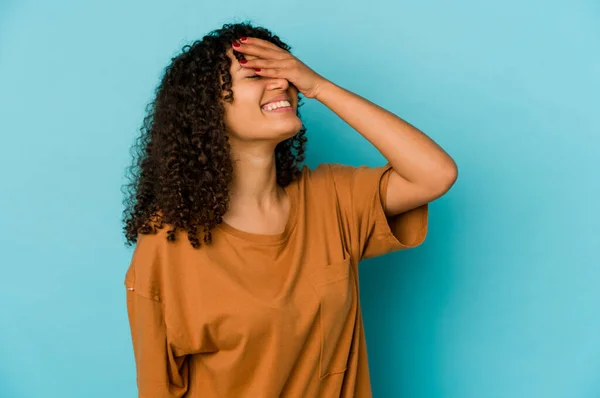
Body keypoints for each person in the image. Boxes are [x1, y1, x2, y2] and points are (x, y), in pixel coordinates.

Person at [121, 21, 457, 398]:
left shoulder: (331, 198)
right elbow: (157, 387)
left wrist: (320, 87)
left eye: (283, 71)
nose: (282, 83)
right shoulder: (166, 243)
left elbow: (434, 174)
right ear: (206, 109)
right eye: (254, 75)